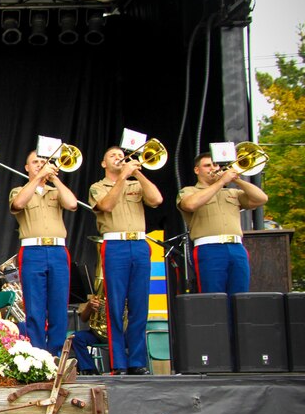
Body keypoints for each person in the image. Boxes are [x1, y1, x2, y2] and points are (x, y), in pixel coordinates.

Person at [89, 146, 163, 375]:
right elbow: (107, 206)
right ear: (103, 163)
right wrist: (122, 177)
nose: (119, 158)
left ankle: (137, 361)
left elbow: (157, 199)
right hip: (115, 245)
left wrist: (138, 173)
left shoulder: (136, 184)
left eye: (122, 155)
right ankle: (118, 362)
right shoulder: (98, 187)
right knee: (115, 305)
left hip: (140, 244)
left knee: (140, 306)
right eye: (113, 155)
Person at [9, 149, 79, 355]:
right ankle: (38, 353)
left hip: (58, 249)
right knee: (35, 305)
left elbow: (72, 204)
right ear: (27, 167)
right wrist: (38, 178)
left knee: (58, 304)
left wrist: (55, 179)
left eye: (43, 162)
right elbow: (18, 203)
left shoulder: (55, 191)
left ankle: (56, 353)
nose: (40, 165)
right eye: (35, 162)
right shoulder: (18, 190)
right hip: (32, 249)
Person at [177, 152, 268, 295]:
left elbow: (261, 199)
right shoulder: (189, 191)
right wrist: (220, 182)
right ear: (197, 170)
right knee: (213, 296)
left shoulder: (232, 192)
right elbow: (191, 204)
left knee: (240, 296)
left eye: (216, 165)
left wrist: (237, 180)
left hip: (237, 247)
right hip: (209, 248)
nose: (213, 168)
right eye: (207, 165)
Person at [71, 293, 106, 375]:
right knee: (76, 337)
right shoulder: (91, 292)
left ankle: (128, 367)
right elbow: (83, 318)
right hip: (97, 334)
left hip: (118, 333)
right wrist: (89, 307)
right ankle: (89, 369)